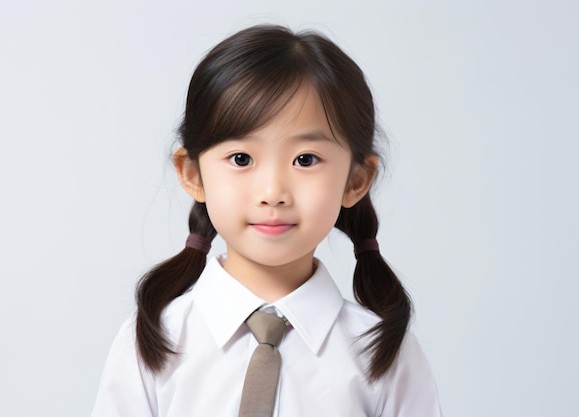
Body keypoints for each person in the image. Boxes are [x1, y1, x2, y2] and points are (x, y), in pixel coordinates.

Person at [91, 24, 442, 417]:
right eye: (241, 159)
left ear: (356, 180)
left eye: (305, 160)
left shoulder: (382, 354)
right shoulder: (153, 342)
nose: (272, 192)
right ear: (192, 174)